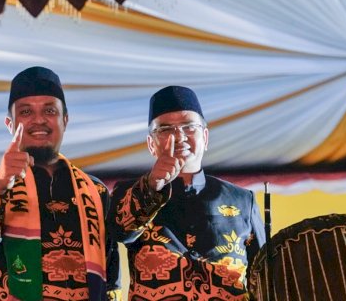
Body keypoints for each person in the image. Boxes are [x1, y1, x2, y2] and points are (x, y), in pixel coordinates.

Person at [0, 66, 117, 300]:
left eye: (49, 110)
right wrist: (0, 185)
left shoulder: (96, 191)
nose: (39, 120)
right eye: (25, 112)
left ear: (65, 120)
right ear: (9, 124)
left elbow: (111, 280)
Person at [110, 86, 265, 300]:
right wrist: (152, 185)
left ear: (205, 137)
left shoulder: (241, 200)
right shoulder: (129, 192)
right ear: (151, 145)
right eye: (165, 129)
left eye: (189, 127)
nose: (179, 136)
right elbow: (121, 232)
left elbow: (264, 275)